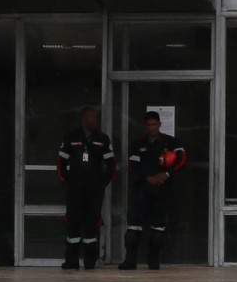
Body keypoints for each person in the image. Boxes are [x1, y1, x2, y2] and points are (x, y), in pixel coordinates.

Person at [118, 109, 188, 272]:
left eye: (154, 124)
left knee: (158, 228)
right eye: (149, 125)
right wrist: (147, 178)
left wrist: (166, 174)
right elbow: (133, 165)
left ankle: (154, 261)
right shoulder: (137, 144)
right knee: (133, 229)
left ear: (160, 125)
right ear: (145, 126)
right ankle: (130, 261)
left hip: (162, 191)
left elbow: (182, 160)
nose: (152, 128)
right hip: (141, 190)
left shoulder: (171, 143)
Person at [55, 105, 117, 271]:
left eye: (95, 118)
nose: (93, 120)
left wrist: (102, 183)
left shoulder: (103, 139)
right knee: (73, 224)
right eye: (90, 117)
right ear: (83, 119)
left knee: (92, 224)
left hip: (94, 190)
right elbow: (61, 162)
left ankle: (90, 261)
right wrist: (66, 182)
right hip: (74, 189)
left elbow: (111, 165)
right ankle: (71, 261)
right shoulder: (71, 137)